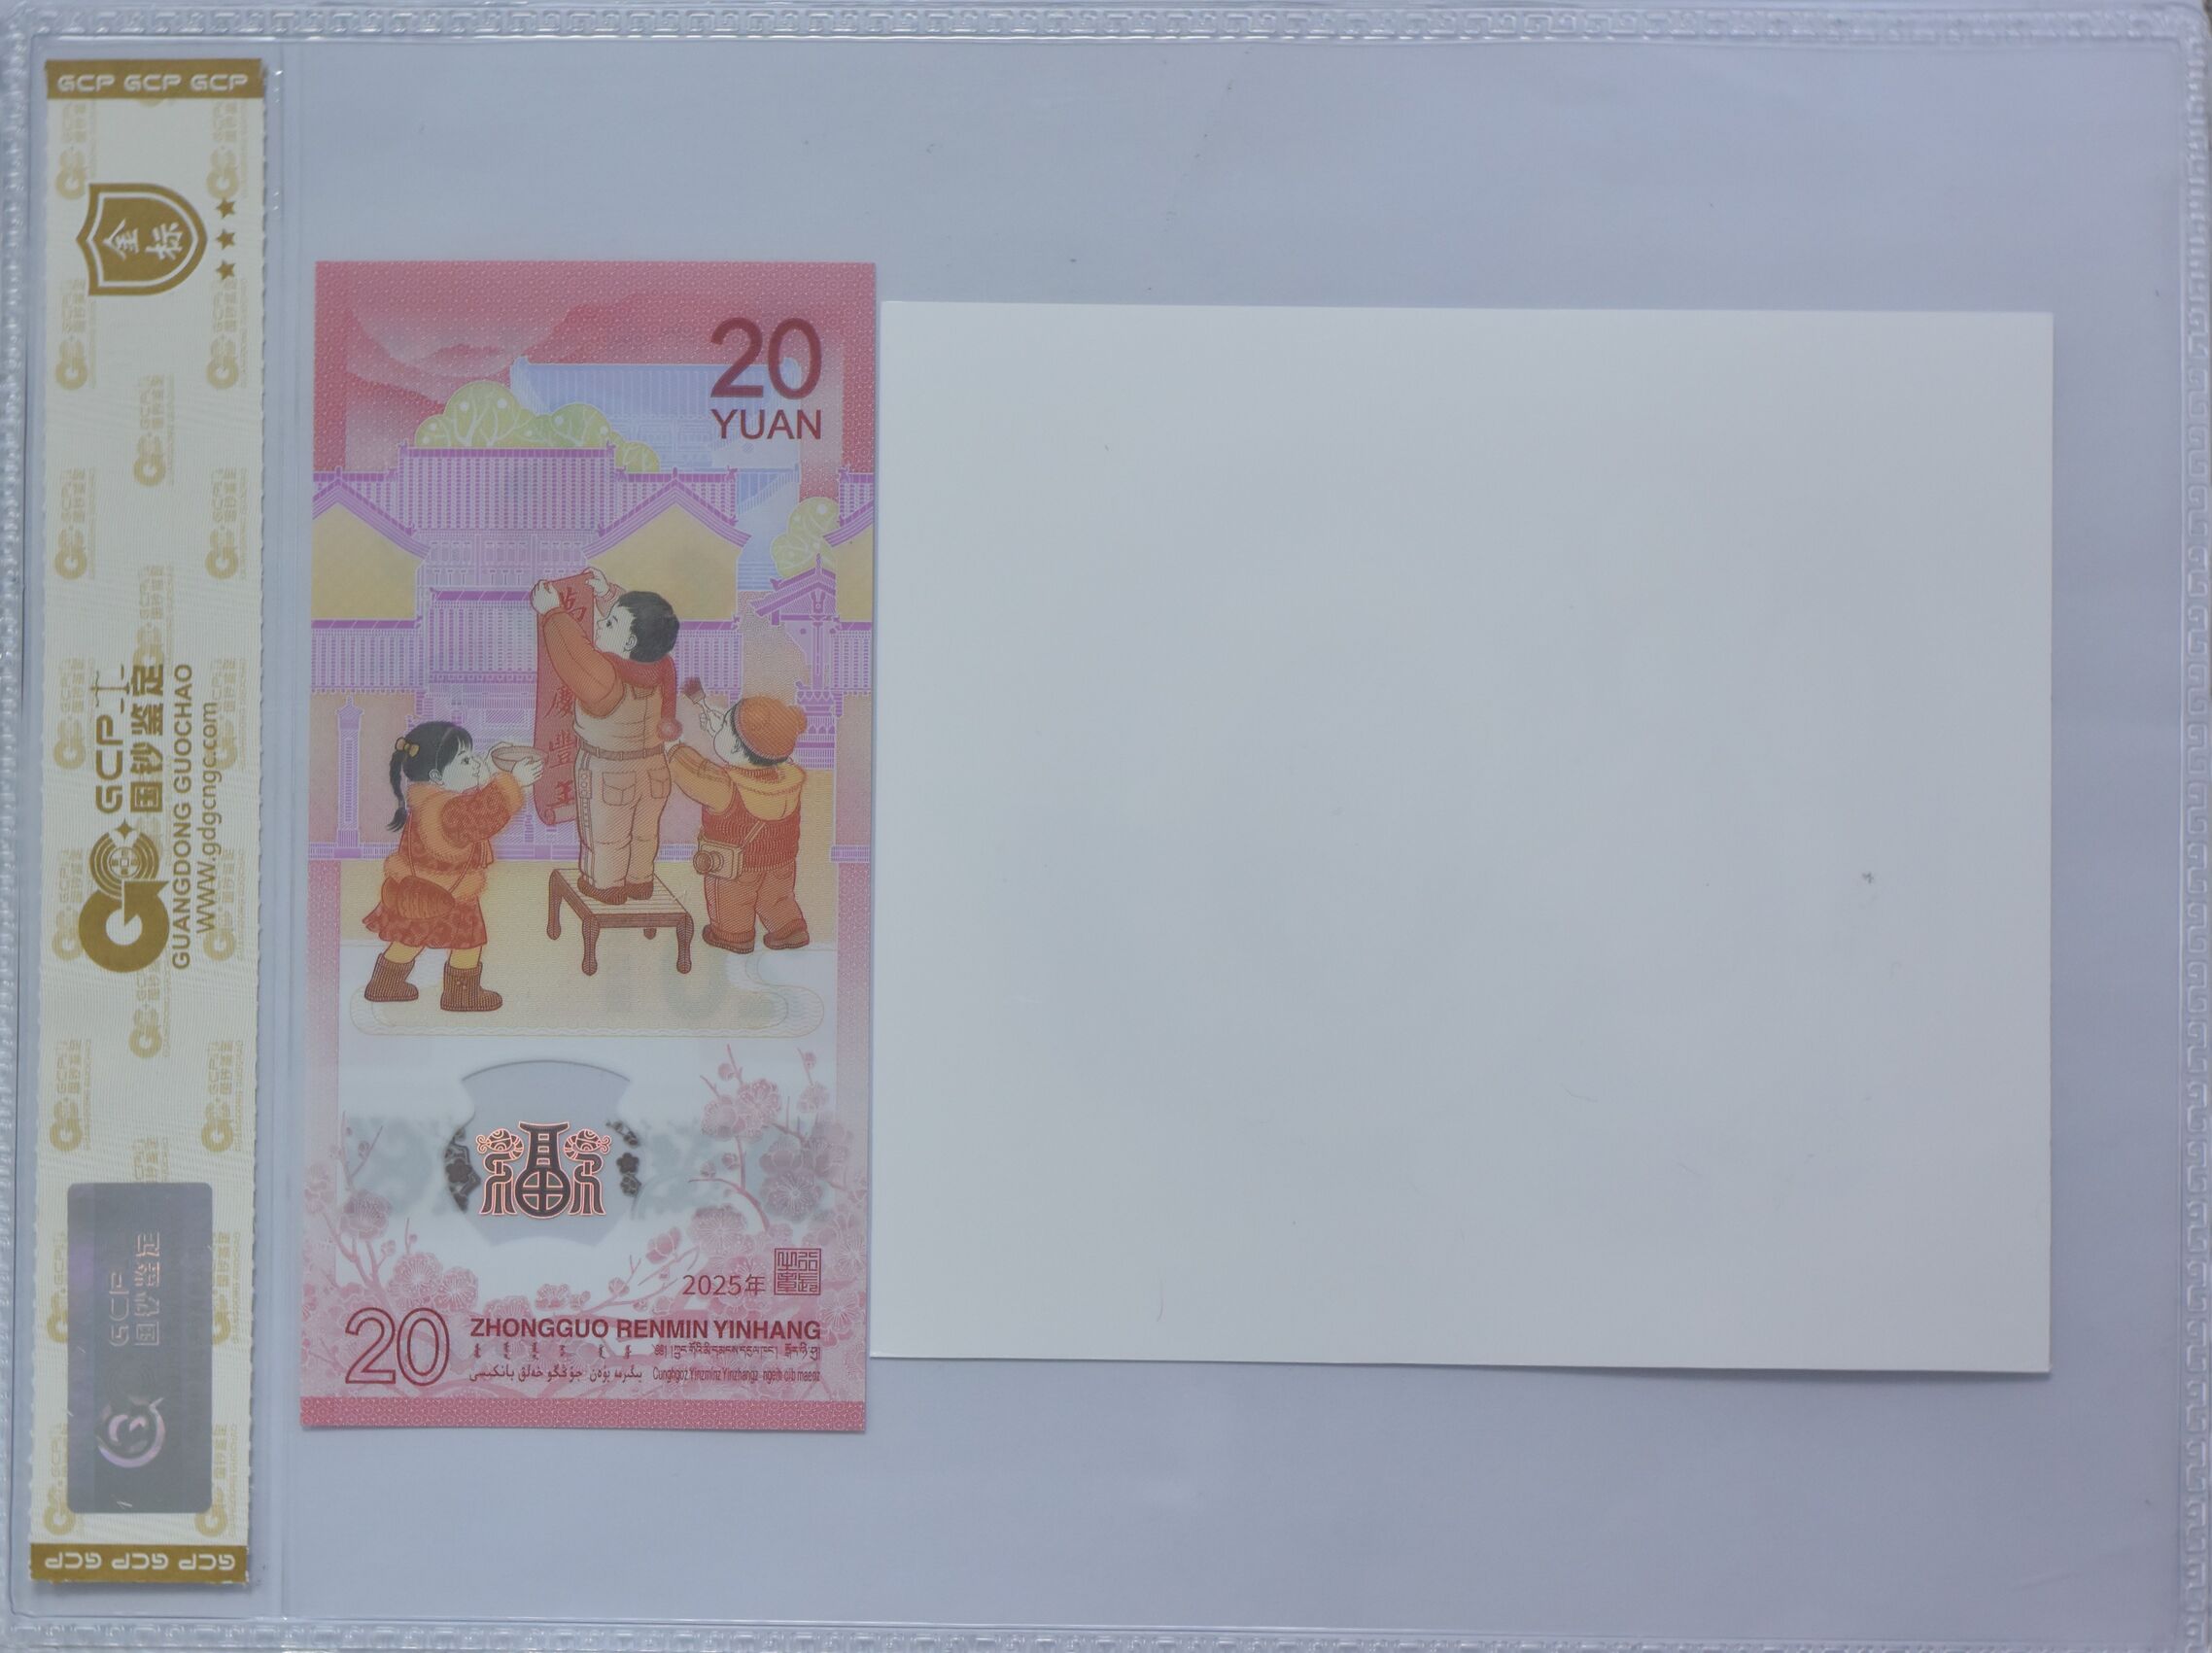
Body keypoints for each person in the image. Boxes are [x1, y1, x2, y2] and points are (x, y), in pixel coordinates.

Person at [363, 720, 542, 1012]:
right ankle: (461, 995)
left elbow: (471, 804)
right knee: (467, 942)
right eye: (466, 760)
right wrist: (513, 783)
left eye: (473, 756)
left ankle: (385, 984)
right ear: (437, 776)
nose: (476, 763)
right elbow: (479, 817)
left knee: (411, 937)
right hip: (450, 892)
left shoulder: (432, 799)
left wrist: (492, 766)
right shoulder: (445, 809)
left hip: (420, 887)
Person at [531, 568, 680, 904]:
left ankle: (606, 885)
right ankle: (639, 881)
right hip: (655, 768)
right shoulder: (660, 667)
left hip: (610, 771)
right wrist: (607, 594)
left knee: (607, 835)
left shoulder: (607, 676)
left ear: (628, 643)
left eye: (610, 623)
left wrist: (553, 613)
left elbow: (575, 656)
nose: (600, 625)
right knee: (644, 833)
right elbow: (642, 621)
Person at [670, 693, 810, 954]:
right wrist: (723, 731)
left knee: (731, 904)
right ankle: (789, 928)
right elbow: (751, 747)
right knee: (778, 899)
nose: (719, 726)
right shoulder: (788, 779)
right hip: (781, 862)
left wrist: (675, 749)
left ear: (735, 748)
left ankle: (733, 936)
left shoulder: (727, 787)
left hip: (735, 867)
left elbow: (694, 773)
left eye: (725, 725)